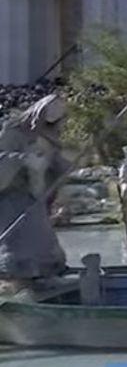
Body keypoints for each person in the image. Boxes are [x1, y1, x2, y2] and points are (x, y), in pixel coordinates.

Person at [0, 95, 71, 285]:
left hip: (35, 194)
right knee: (18, 240)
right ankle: (17, 275)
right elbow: (2, 158)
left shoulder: (49, 136)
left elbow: (55, 165)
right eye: (53, 107)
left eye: (60, 110)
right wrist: (23, 160)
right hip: (12, 197)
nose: (57, 113)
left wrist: (58, 166)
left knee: (41, 236)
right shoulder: (14, 130)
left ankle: (46, 271)